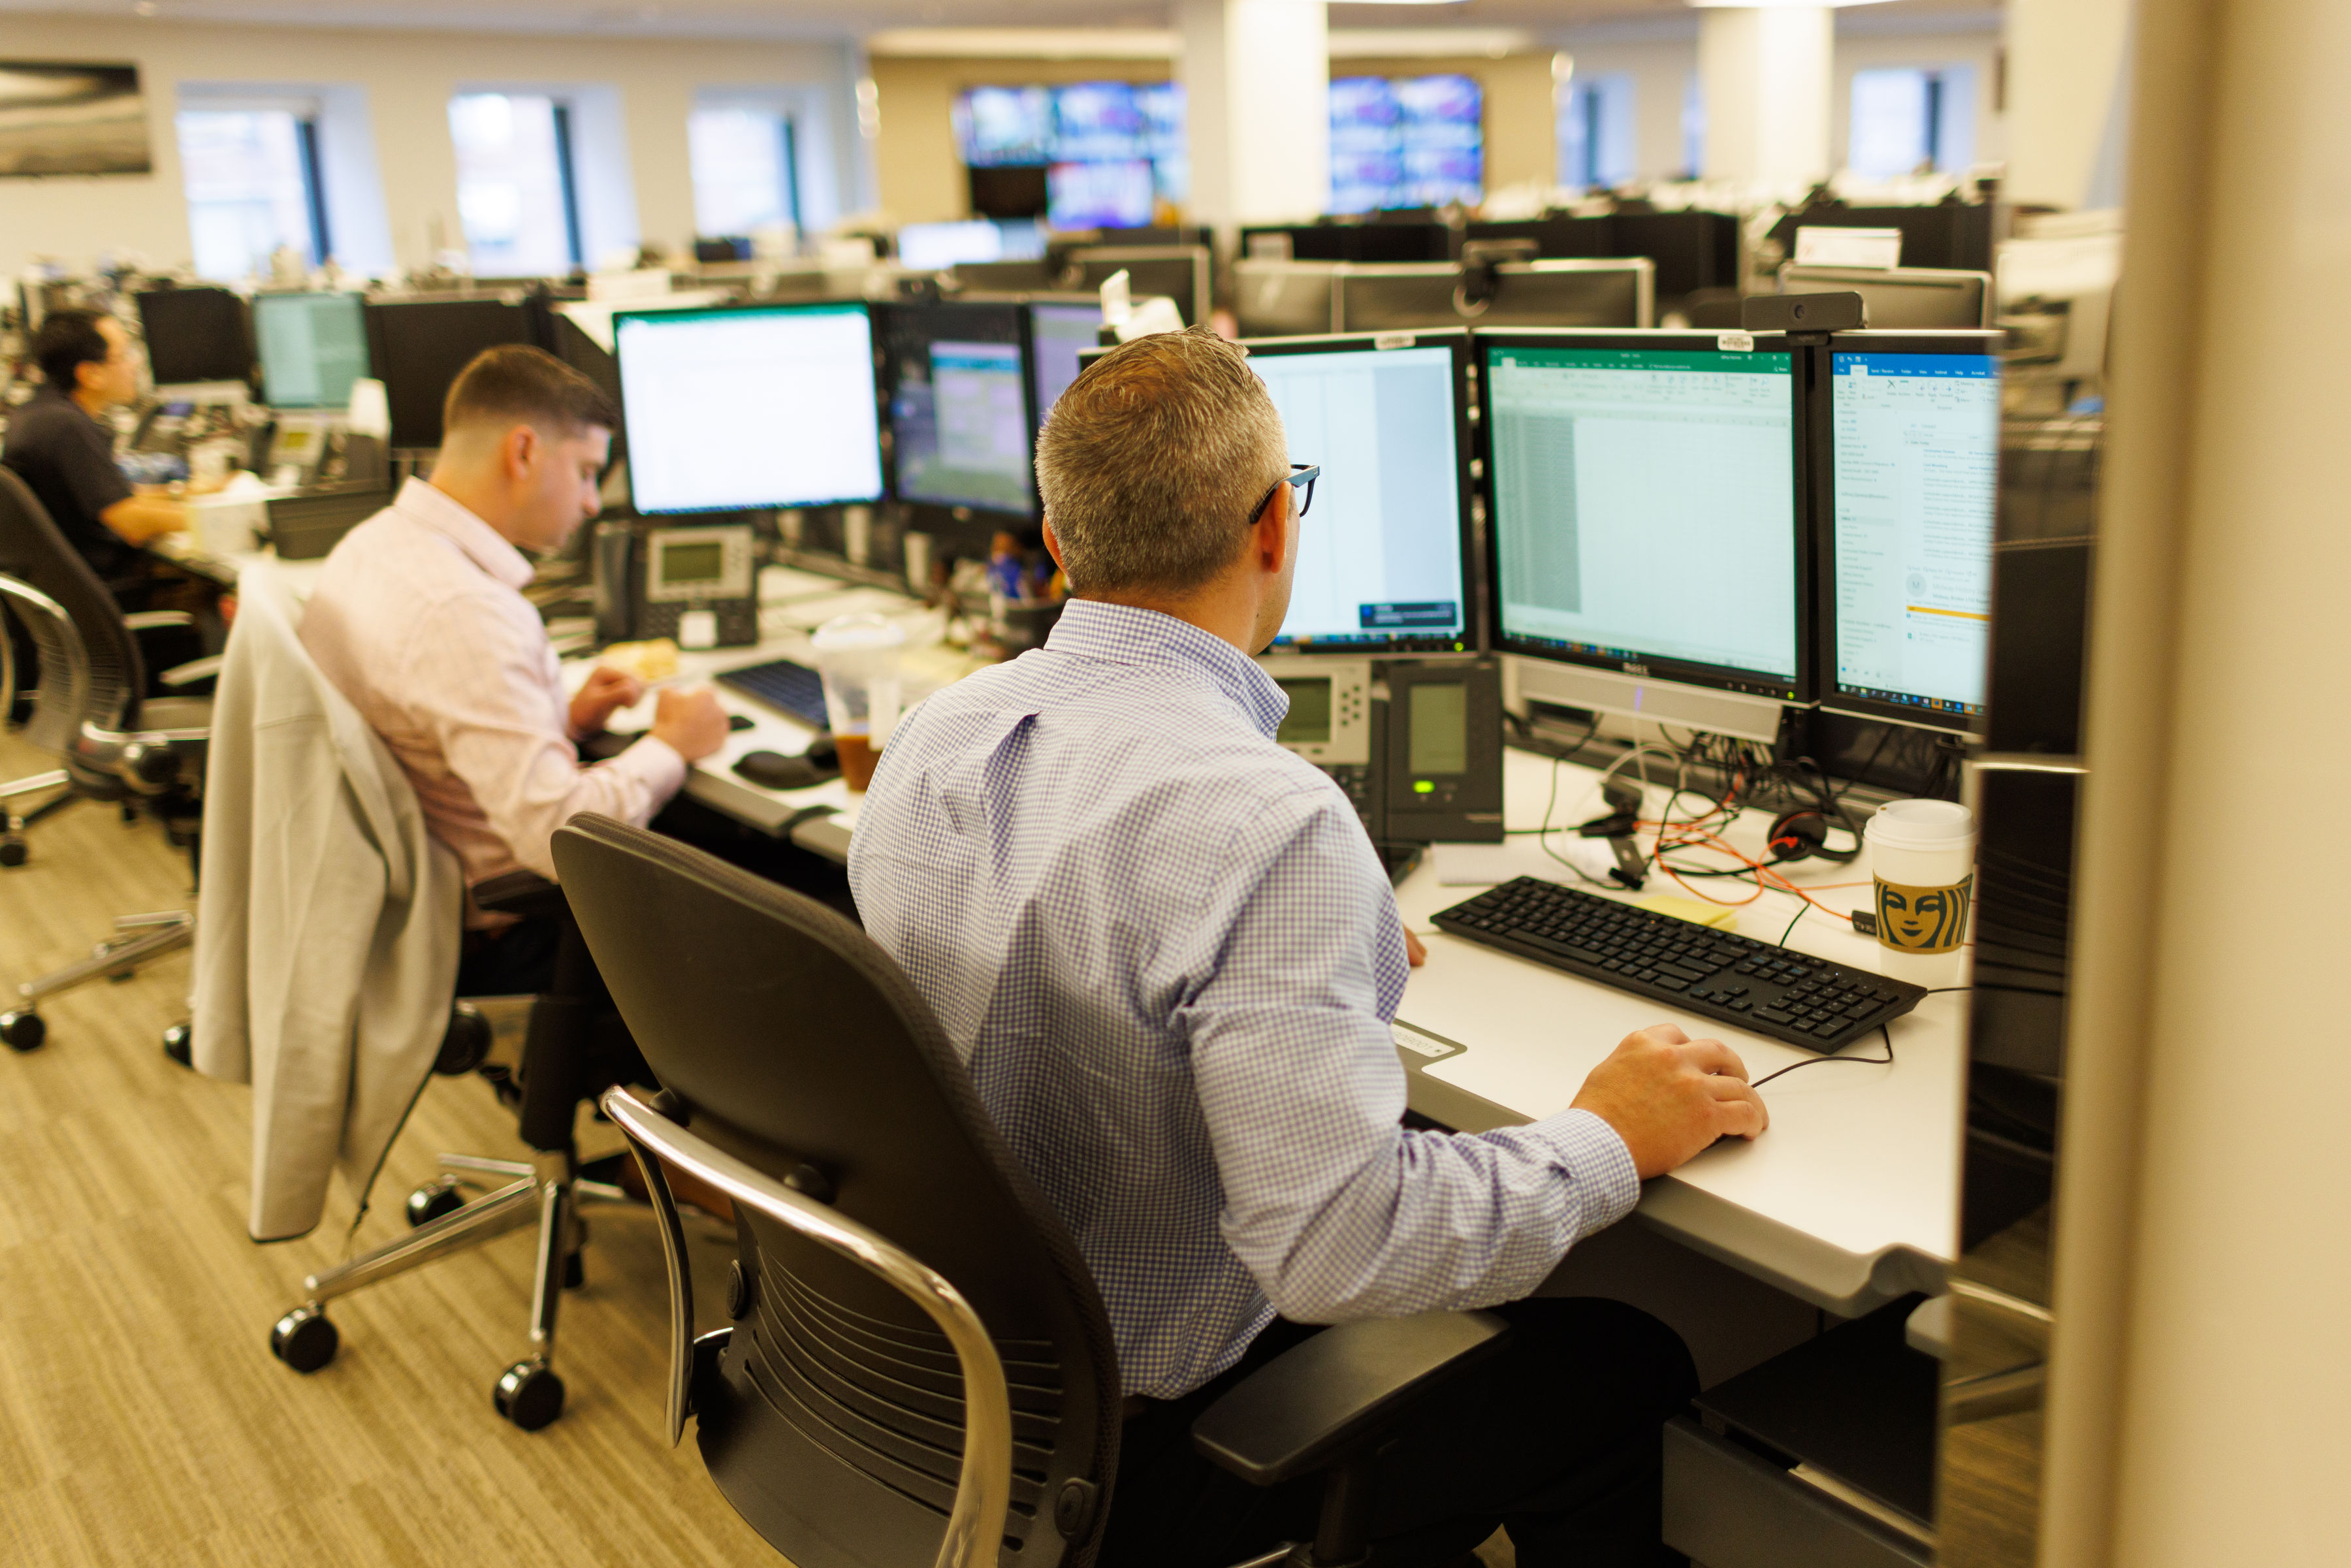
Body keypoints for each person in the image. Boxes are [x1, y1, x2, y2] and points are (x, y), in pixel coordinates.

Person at [848, 327, 1769, 1568]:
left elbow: (1049, 952)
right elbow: (1342, 1249)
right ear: (1275, 525)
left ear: (1060, 545)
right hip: (1138, 1455)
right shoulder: (1266, 820)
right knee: (1626, 1359)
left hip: (951, 1387)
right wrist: (1612, 1134)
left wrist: (1303, 936)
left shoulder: (939, 734)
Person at [301, 345, 728, 995]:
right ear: (524, 451)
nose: (591, 503)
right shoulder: (464, 610)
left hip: (409, 889)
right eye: (587, 472)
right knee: (789, 890)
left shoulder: (373, 546)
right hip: (513, 925)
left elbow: (426, 719)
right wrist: (672, 743)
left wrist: (562, 715)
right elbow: (555, 837)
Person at [2, 309, 193, 584]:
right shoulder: (65, 426)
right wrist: (220, 521)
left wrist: (189, 495)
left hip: (71, 591)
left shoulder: (38, 413)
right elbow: (132, 522)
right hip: (110, 593)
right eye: (125, 354)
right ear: (91, 374)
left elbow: (115, 499)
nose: (136, 363)